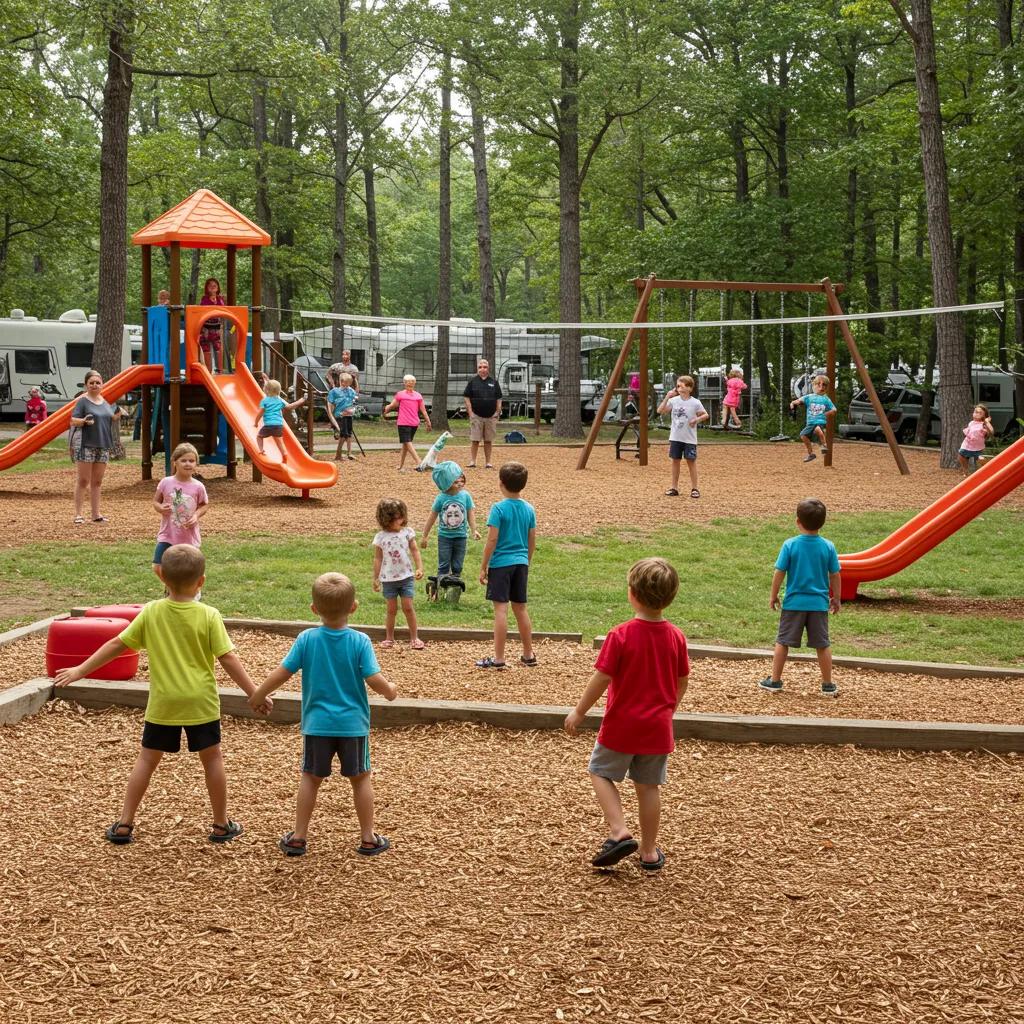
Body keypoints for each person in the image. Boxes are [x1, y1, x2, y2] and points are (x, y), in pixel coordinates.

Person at [54, 544, 270, 845]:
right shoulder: (209, 615)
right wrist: (254, 693)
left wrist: (81, 669)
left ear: (161, 577)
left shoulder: (152, 612)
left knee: (147, 760)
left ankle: (124, 824)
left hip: (164, 703)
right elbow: (228, 658)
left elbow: (117, 644)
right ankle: (221, 825)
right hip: (200, 702)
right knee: (212, 759)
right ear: (201, 581)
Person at [247, 572, 397, 858]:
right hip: (352, 726)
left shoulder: (307, 639)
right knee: (361, 778)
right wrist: (389, 690)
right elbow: (373, 678)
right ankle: (368, 838)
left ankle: (298, 837)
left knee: (310, 777)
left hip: (317, 725)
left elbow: (283, 671)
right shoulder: (360, 641)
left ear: (314, 609)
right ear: (354, 607)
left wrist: (258, 693)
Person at [564, 557, 690, 871]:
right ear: (671, 597)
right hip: (657, 728)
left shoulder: (621, 635)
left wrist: (579, 711)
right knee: (648, 787)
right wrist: (669, 710)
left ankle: (619, 830)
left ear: (632, 594)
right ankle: (648, 852)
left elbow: (602, 678)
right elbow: (681, 681)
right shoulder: (676, 637)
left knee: (599, 771)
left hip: (622, 724)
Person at [759, 497, 841, 697]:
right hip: (818, 605)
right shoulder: (828, 546)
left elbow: (779, 572)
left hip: (794, 604)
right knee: (822, 644)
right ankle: (827, 684)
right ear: (822, 522)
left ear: (798, 521)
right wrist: (836, 598)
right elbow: (835, 574)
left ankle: (775, 681)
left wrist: (773, 595)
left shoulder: (790, 545)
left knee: (783, 641)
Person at [476, 461, 536, 670]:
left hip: (501, 564)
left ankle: (499, 658)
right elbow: (532, 540)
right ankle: (528, 654)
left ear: (501, 483)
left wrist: (484, 565)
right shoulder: (529, 509)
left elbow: (492, 539)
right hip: (521, 562)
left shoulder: (498, 509)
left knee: (501, 610)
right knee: (521, 608)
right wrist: (526, 560)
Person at [69, 368, 122, 525]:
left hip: (103, 444)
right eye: (91, 382)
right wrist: (84, 421)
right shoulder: (82, 401)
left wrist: (116, 416)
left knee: (97, 481)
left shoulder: (105, 402)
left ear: (102, 384)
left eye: (97, 382)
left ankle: (96, 514)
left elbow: (108, 418)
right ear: (86, 385)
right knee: (83, 480)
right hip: (85, 444)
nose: (94, 385)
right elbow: (73, 420)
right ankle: (78, 514)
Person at [372, 497, 425, 649]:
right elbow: (378, 558)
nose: (401, 520)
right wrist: (376, 578)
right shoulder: (381, 537)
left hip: (406, 577)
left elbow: (415, 550)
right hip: (388, 579)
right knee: (391, 610)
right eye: (397, 518)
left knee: (408, 607)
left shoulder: (407, 533)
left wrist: (419, 567)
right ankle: (389, 638)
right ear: (387, 519)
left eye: (402, 516)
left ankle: (414, 637)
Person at [152, 443, 208, 584]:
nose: (188, 464)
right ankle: (172, 587)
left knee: (193, 569)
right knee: (157, 566)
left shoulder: (198, 486)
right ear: (175, 462)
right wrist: (160, 508)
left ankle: (194, 590)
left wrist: (196, 516)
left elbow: (204, 505)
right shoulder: (166, 483)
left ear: (196, 464)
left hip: (188, 535)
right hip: (168, 534)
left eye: (191, 461)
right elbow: (156, 502)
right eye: (183, 460)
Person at [421, 460, 480, 584]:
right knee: (443, 564)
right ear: (446, 483)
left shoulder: (465, 496)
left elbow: (470, 514)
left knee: (458, 565)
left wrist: (474, 530)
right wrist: (425, 536)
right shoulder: (441, 498)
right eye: (456, 482)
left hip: (461, 537)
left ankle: (455, 585)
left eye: (462, 480)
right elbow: (431, 517)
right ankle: (440, 585)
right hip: (444, 537)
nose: (460, 484)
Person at [656, 374, 708, 499]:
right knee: (675, 461)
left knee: (691, 462)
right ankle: (674, 487)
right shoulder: (673, 401)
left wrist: (696, 419)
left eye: (681, 386)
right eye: (678, 386)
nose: (679, 388)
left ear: (689, 388)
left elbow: (705, 415)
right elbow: (660, 411)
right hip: (675, 437)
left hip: (689, 438)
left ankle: (695, 488)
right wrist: (667, 397)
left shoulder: (695, 402)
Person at [385, 374, 431, 472]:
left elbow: (423, 411)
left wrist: (428, 422)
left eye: (412, 382)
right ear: (404, 383)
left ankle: (418, 462)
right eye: (408, 382)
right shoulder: (400, 394)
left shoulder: (418, 396)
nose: (410, 383)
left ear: (415, 383)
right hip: (404, 422)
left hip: (413, 423)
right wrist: (387, 409)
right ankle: (405, 464)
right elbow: (392, 405)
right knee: (407, 443)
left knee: (407, 443)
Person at [463, 358, 503, 468]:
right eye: (480, 367)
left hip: (491, 417)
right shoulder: (472, 382)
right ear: (477, 369)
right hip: (476, 416)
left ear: (488, 368)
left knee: (488, 441)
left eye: (485, 367)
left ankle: (488, 462)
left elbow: (499, 398)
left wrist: (497, 412)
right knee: (475, 440)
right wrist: (470, 412)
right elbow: (466, 397)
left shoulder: (494, 382)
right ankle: (472, 461)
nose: (482, 369)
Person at [254, 379, 306, 462]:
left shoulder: (264, 401)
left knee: (259, 437)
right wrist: (301, 400)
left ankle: (261, 450)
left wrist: (256, 422)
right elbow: (290, 407)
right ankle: (284, 454)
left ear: (266, 390)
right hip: (278, 425)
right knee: (280, 442)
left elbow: (260, 413)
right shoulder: (280, 400)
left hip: (268, 425)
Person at [790, 375, 836, 463]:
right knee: (803, 435)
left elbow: (834, 410)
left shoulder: (826, 399)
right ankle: (811, 454)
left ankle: (824, 445)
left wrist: (827, 413)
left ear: (827, 387)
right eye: (819, 384)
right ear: (814, 385)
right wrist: (793, 403)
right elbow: (798, 401)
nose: (821, 387)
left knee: (817, 429)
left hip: (820, 421)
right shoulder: (809, 397)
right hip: (810, 423)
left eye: (824, 385)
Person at [327, 372, 358, 461]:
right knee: (343, 435)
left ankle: (349, 453)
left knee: (348, 434)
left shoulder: (351, 391)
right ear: (341, 382)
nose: (349, 385)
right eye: (347, 383)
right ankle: (338, 454)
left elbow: (355, 399)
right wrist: (334, 420)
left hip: (349, 415)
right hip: (340, 416)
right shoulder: (334, 392)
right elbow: (330, 407)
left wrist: (353, 409)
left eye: (350, 383)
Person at [199, 277, 226, 373]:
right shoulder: (204, 299)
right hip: (206, 328)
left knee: (218, 348)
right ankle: (208, 371)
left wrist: (222, 325)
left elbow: (223, 310)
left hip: (216, 328)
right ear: (207, 288)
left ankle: (220, 370)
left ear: (218, 287)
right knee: (206, 350)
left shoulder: (220, 299)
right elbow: (203, 310)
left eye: (215, 285)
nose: (212, 287)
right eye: (210, 285)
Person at [958, 404, 994, 476]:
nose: (976, 414)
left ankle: (987, 469)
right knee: (961, 455)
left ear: (984, 416)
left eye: (980, 413)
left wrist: (987, 422)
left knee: (979, 458)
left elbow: (992, 431)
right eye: (975, 412)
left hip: (977, 446)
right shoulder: (971, 423)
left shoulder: (983, 424)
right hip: (967, 443)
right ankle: (965, 470)